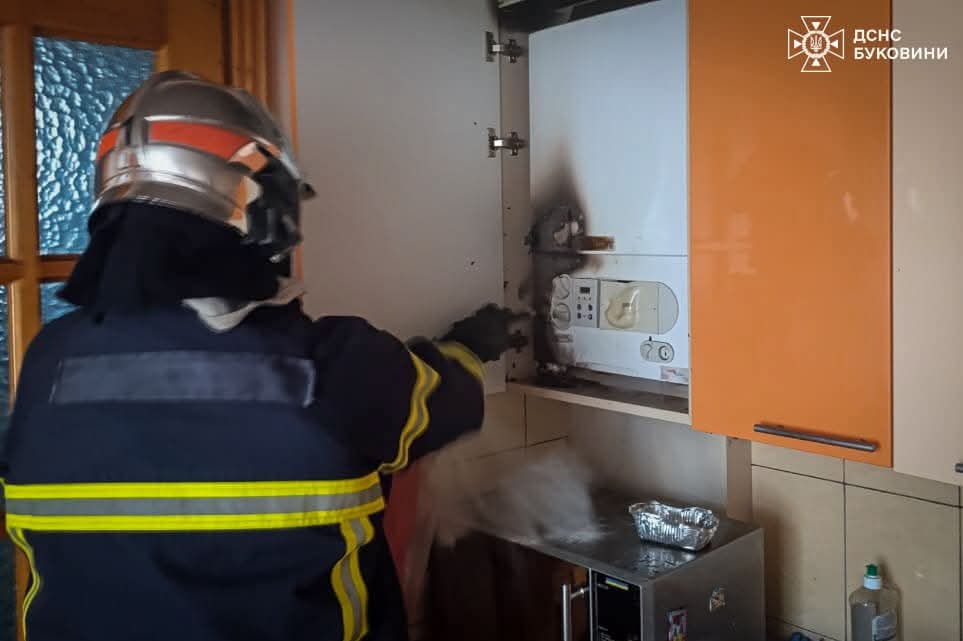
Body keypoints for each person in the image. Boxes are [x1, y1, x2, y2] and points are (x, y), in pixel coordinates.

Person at [0, 70, 526, 641]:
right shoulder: (332, 366)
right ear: (258, 208)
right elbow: (449, 403)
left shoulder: (48, 364)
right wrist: (473, 343)